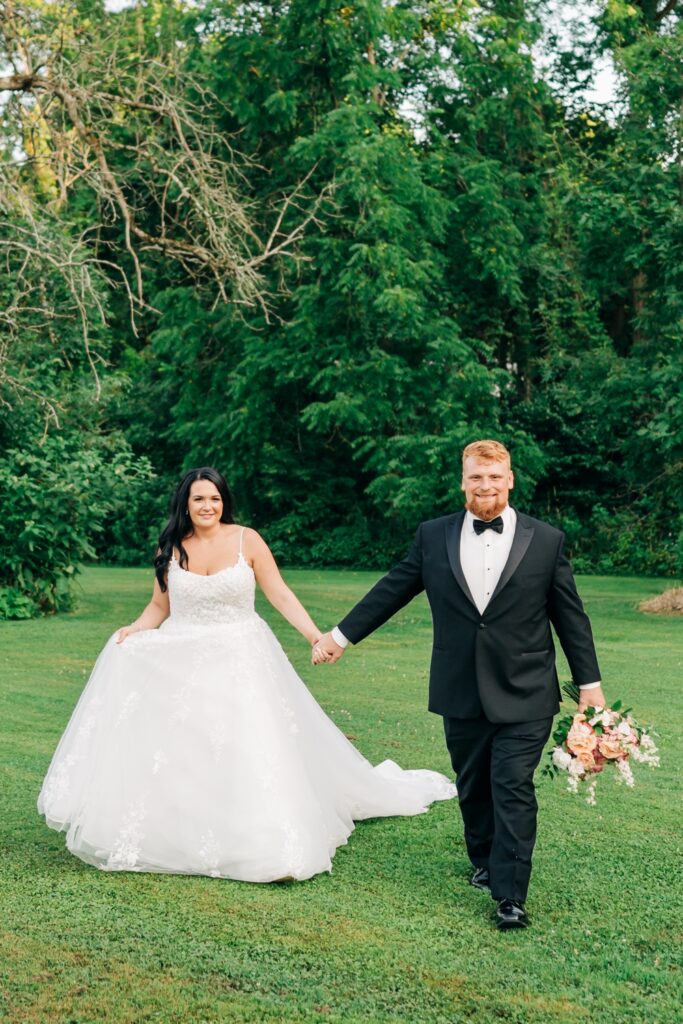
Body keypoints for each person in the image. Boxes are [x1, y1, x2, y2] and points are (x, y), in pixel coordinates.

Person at [38, 467, 455, 881]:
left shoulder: (247, 539)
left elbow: (279, 592)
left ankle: (258, 835)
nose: (208, 506)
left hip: (241, 657)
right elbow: (159, 609)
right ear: (186, 502)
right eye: (199, 498)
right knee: (183, 748)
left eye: (215, 498)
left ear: (224, 502)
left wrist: (315, 636)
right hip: (182, 659)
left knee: (246, 743)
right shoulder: (170, 546)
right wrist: (133, 630)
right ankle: (178, 828)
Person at [314, 440, 605, 929]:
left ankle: (509, 894)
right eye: (476, 477)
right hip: (460, 686)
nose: (485, 486)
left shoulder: (547, 540)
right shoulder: (433, 536)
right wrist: (341, 636)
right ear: (463, 480)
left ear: (510, 479)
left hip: (527, 688)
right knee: (473, 785)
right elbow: (393, 588)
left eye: (494, 477)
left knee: (511, 784)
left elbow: (570, 618)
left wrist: (590, 685)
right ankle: (483, 859)